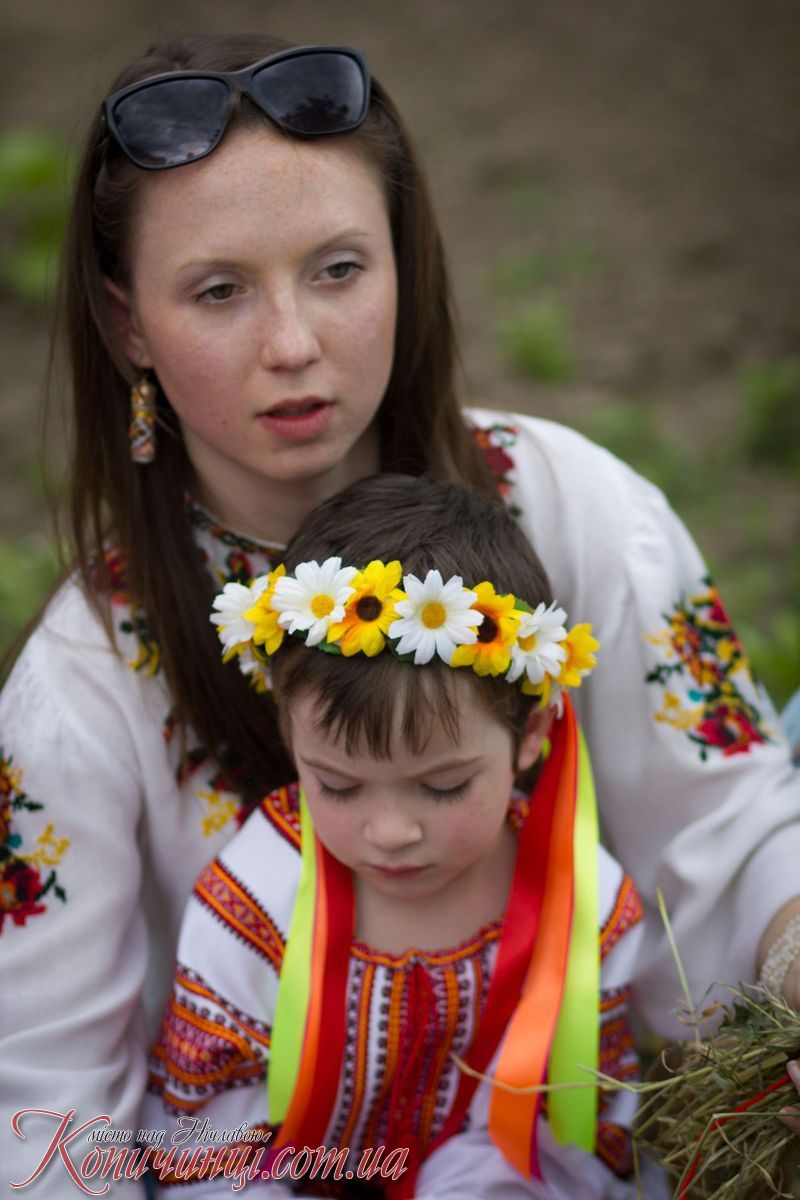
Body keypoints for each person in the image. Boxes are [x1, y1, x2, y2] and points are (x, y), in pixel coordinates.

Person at [0, 30, 797, 1198]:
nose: (292, 345)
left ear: (402, 265)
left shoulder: (575, 508)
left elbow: (726, 832)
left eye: (338, 269)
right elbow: (46, 1107)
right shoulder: (83, 681)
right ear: (129, 327)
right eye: (217, 291)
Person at [140, 472, 654, 1200]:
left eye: (443, 786)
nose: (390, 833)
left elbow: (584, 1120)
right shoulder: (253, 907)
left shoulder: (583, 908)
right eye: (338, 785)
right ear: (290, 735)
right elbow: (202, 1143)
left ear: (532, 731)